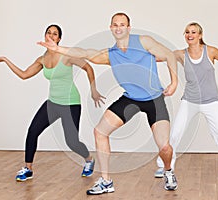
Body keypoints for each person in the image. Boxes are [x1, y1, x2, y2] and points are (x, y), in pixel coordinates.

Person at [38, 13, 179, 194]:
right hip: (130, 99)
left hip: (154, 99)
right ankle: (106, 181)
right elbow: (85, 53)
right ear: (111, 28)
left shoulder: (144, 42)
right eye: (115, 24)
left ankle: (168, 171)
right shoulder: (110, 55)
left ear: (128, 27)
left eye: (122, 24)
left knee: (164, 147)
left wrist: (174, 82)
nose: (118, 27)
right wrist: (58, 49)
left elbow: (169, 55)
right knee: (100, 131)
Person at [0, 24, 105, 182]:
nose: (51, 36)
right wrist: (5, 60)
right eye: (49, 33)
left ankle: (88, 159)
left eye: (55, 34)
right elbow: (24, 75)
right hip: (52, 103)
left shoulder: (67, 56)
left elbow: (88, 68)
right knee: (33, 132)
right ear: (45, 36)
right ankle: (28, 168)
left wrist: (93, 90)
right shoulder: (42, 60)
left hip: (71, 103)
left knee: (72, 141)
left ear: (59, 39)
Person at [155, 22, 218, 181]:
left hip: (211, 102)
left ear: (200, 35)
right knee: (175, 134)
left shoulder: (211, 51)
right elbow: (160, 57)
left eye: (194, 32)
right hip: (189, 101)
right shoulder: (181, 54)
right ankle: (164, 165)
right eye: (187, 32)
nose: (190, 35)